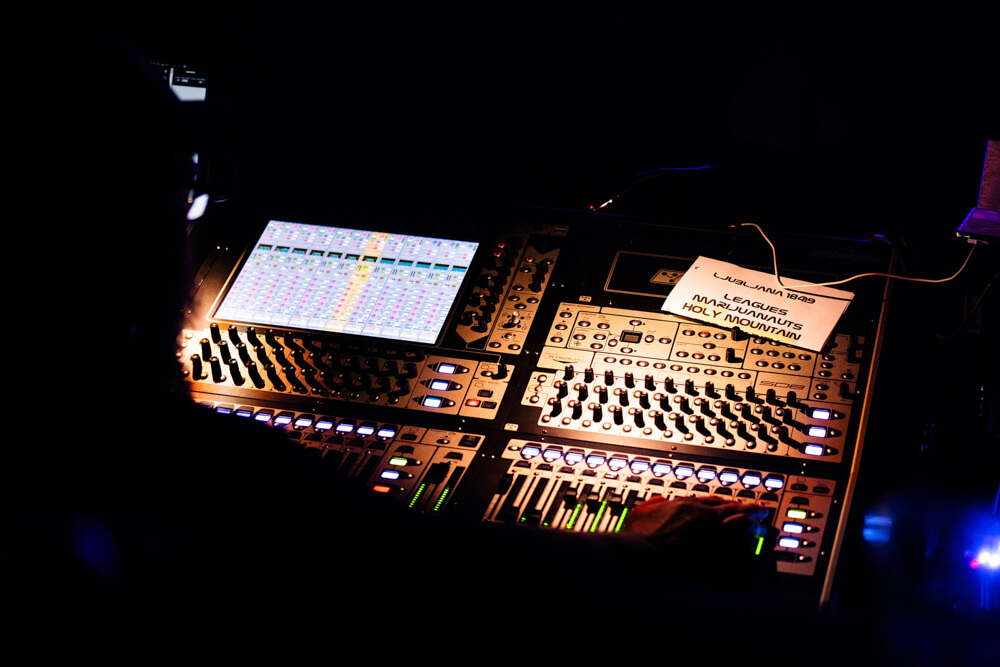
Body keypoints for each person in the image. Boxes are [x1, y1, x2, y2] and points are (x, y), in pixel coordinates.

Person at [5, 31, 774, 661]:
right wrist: (638, 551)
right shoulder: (191, 457)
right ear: (135, 224)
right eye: (187, 201)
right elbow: (431, 567)